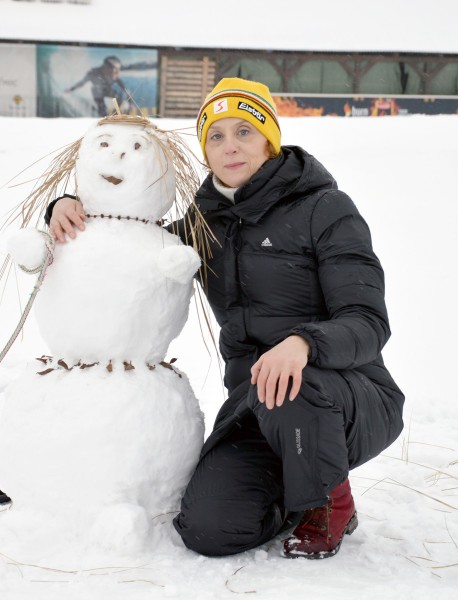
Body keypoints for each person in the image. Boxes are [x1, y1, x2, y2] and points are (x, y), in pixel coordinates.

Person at [46, 78, 404, 559]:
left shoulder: (325, 209)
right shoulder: (205, 220)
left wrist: (303, 343)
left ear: (268, 139)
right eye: (216, 136)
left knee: (289, 382)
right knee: (209, 529)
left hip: (347, 396)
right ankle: (294, 496)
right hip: (253, 402)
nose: (230, 147)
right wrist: (68, 207)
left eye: (244, 132)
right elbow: (138, 245)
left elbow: (367, 321)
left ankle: (329, 503)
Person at [64, 55, 130, 117]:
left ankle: (114, 114)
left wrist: (128, 94)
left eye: (117, 70)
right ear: (106, 67)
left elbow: (122, 86)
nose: (115, 72)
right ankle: (101, 112)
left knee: (119, 97)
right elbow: (82, 82)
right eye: (113, 69)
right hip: (97, 92)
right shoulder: (94, 73)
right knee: (101, 105)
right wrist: (71, 89)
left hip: (107, 89)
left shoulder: (114, 74)